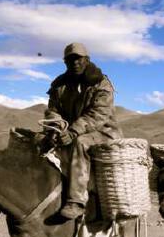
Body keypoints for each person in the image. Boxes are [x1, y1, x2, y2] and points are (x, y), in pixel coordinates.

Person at [45, 42, 122, 219]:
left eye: (78, 59)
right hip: (71, 130)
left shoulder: (101, 83)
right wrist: (56, 128)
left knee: (80, 143)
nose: (75, 63)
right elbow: (53, 110)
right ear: (65, 62)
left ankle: (76, 201)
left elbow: (99, 114)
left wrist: (72, 132)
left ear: (87, 60)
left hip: (104, 132)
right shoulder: (59, 85)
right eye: (70, 60)